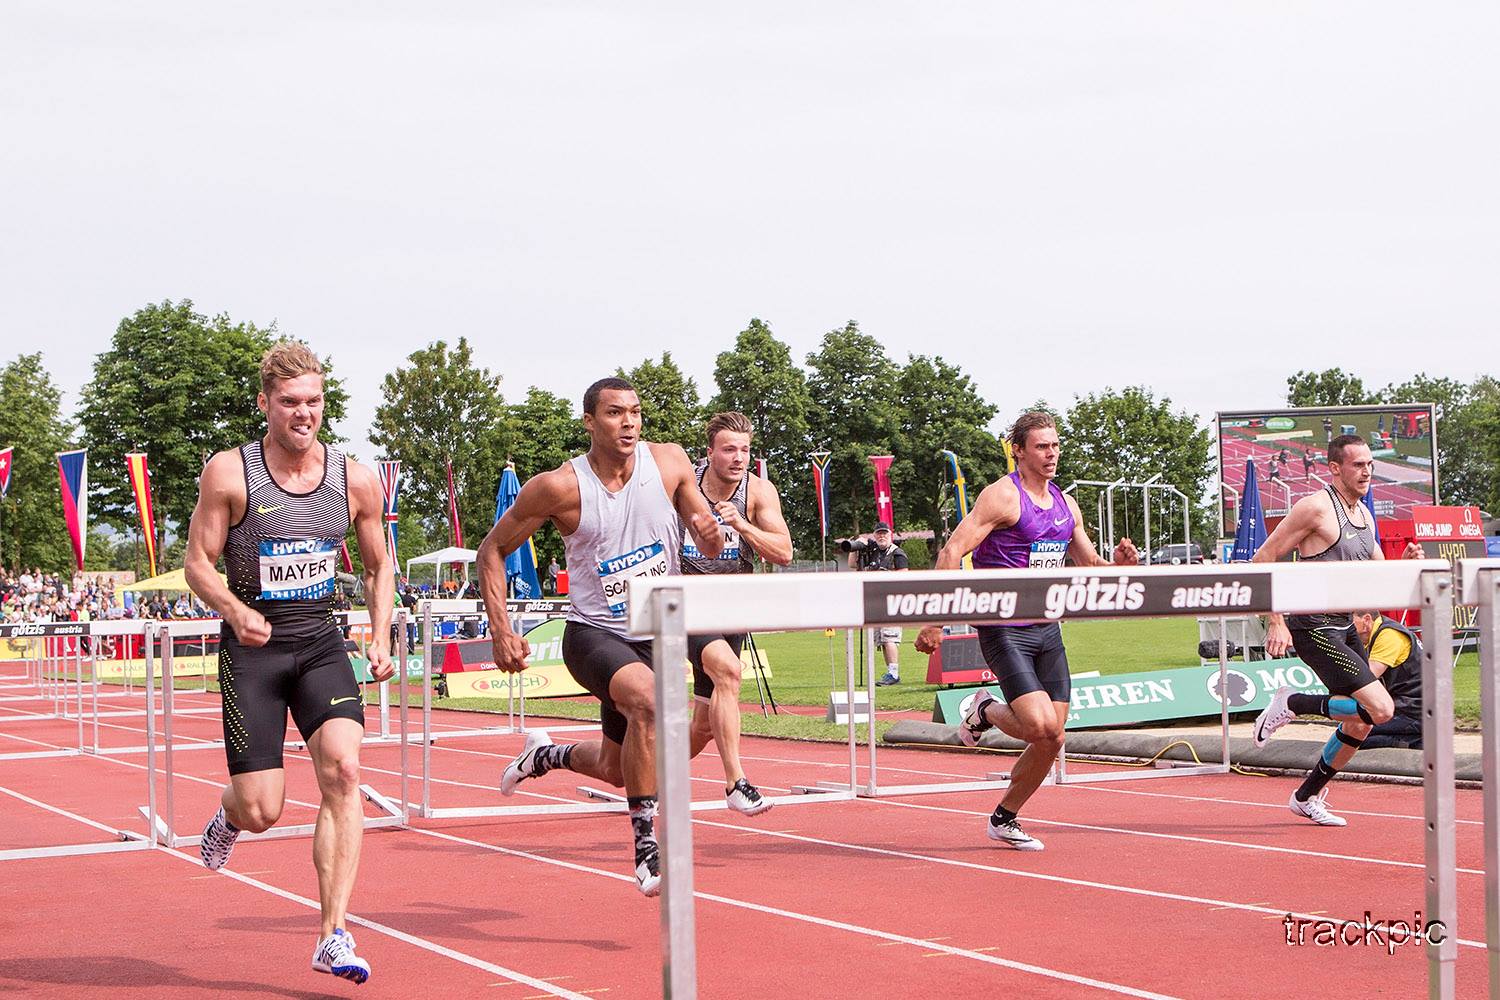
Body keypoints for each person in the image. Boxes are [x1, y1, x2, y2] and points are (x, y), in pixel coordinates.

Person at [184, 341, 394, 984]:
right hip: (253, 650)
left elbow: (381, 564)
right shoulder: (230, 473)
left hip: (321, 641)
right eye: (290, 403)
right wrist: (233, 608)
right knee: (263, 809)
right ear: (265, 403)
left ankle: (332, 933)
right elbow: (197, 563)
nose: (304, 414)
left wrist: (380, 633)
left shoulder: (353, 477)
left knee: (344, 768)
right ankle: (230, 816)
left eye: (314, 401)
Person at [475, 377, 722, 895]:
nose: (628, 422)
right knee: (652, 704)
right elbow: (491, 551)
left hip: (655, 633)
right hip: (592, 634)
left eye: (635, 412)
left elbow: (702, 521)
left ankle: (543, 755)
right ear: (590, 421)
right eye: (614, 413)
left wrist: (708, 531)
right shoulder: (560, 487)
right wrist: (501, 628)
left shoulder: (671, 462)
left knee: (616, 767)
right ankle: (646, 848)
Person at [915, 411, 1137, 851]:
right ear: (1018, 450)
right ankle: (984, 710)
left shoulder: (1064, 503)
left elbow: (1090, 564)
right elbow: (952, 549)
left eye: (1055, 445)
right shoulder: (1001, 496)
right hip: (1003, 627)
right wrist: (935, 620)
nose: (1051, 454)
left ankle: (1005, 816)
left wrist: (1120, 566)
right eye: (1041, 446)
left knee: (1054, 736)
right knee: (1038, 727)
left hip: (1047, 629)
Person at [1250, 433, 1423, 826]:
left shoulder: (1364, 515)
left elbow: (1380, 576)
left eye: (1370, 464)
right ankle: (1292, 703)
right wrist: (1275, 620)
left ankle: (1305, 796)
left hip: (1344, 625)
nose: (1367, 471)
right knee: (1382, 709)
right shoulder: (1314, 509)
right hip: (1312, 625)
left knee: (1360, 722)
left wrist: (1407, 564)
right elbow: (1264, 559)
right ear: (1334, 468)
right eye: (1358, 465)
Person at [846, 523, 909, 685]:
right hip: (876, 602)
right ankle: (891, 673)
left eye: (884, 534)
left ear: (890, 535)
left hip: (892, 602)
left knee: (889, 638)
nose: (881, 536)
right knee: (881, 640)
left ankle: (894, 674)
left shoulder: (897, 554)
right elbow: (852, 565)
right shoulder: (872, 553)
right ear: (874, 535)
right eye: (878, 534)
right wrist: (856, 547)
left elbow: (904, 579)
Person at [1352, 610, 1423, 750]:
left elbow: (1366, 679)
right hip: (1410, 709)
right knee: (1350, 733)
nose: (1344, 625)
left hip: (1415, 712)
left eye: (1348, 619)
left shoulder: (1389, 634)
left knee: (1352, 738)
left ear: (1366, 620)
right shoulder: (1374, 636)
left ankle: (1409, 743)